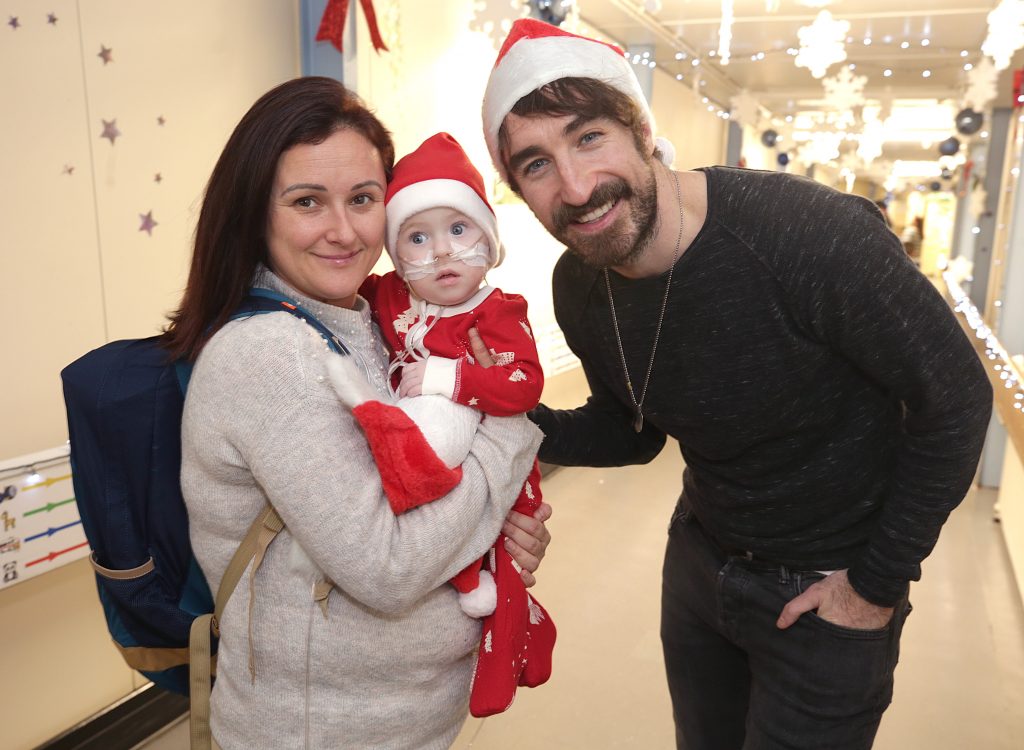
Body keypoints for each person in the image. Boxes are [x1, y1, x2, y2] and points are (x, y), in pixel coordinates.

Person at [479, 18, 993, 750]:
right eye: (535, 164)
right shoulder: (580, 286)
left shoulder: (810, 237)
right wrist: (499, 422)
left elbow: (956, 399)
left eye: (589, 137)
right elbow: (632, 431)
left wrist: (876, 586)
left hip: (830, 591)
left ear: (641, 128)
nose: (576, 186)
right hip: (700, 565)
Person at [162, 76, 551, 750]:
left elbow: (434, 485)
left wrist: (498, 530)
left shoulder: (370, 323)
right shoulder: (266, 355)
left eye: (363, 200)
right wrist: (507, 435)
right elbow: (390, 568)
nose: (343, 231)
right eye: (307, 202)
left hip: (398, 723)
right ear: (256, 213)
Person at [328, 131, 556, 716]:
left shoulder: (498, 312)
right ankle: (470, 585)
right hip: (424, 473)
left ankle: (510, 624)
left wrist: (446, 380)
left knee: (508, 546)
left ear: (489, 238)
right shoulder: (390, 299)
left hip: (496, 468)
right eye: (418, 238)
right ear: (398, 256)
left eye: (460, 230)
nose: (444, 253)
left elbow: (523, 386)